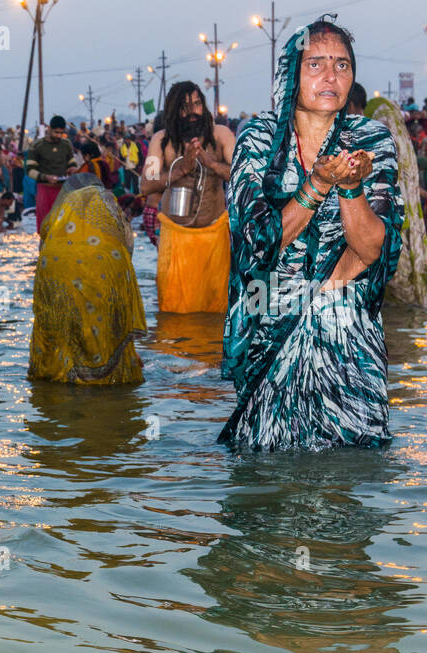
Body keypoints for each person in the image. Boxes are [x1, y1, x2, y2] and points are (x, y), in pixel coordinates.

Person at [220, 19, 404, 452]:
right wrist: (316, 185)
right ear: (290, 75)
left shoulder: (370, 138)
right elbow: (257, 242)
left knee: (349, 471)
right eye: (315, 64)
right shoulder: (260, 139)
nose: (330, 76)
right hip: (273, 325)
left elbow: (375, 247)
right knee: (271, 467)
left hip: (348, 329)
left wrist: (350, 186)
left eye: (341, 65)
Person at [30, 174, 146, 385]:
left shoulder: (56, 224)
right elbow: (127, 254)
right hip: (104, 271)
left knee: (60, 324)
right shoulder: (109, 212)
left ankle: (59, 376)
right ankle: (100, 381)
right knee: (102, 322)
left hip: (56, 269)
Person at [141, 82, 236, 314]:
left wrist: (210, 163)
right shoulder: (161, 141)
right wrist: (180, 169)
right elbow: (145, 184)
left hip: (214, 236)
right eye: (184, 107)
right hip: (175, 239)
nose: (192, 112)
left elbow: (242, 173)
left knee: (216, 311)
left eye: (197, 104)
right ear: (174, 110)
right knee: (173, 311)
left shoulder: (221, 135)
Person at [360, 87, 427, 308]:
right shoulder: (403, 152)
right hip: (393, 224)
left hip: (393, 227)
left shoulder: (388, 153)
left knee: (395, 288)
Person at [26, 115, 74, 231]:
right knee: (46, 228)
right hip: (44, 189)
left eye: (61, 133)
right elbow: (29, 170)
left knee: (64, 227)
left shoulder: (66, 144)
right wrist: (45, 177)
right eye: (56, 132)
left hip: (63, 190)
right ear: (49, 129)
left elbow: (72, 163)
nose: (58, 136)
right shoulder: (37, 145)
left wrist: (73, 169)